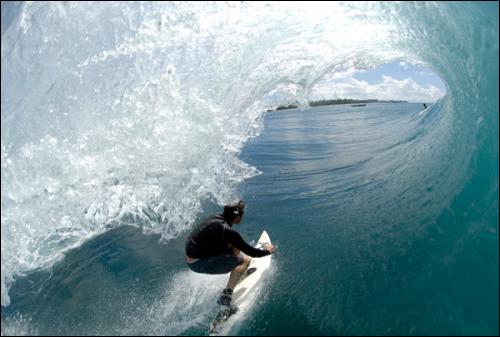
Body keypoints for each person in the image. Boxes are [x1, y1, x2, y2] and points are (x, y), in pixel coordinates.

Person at [185, 200, 276, 308]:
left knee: (235, 246)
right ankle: (225, 296)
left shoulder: (215, 218)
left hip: (192, 257)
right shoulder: (228, 231)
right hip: (199, 263)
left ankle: (237, 272)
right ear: (237, 218)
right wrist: (267, 251)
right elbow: (252, 252)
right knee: (246, 260)